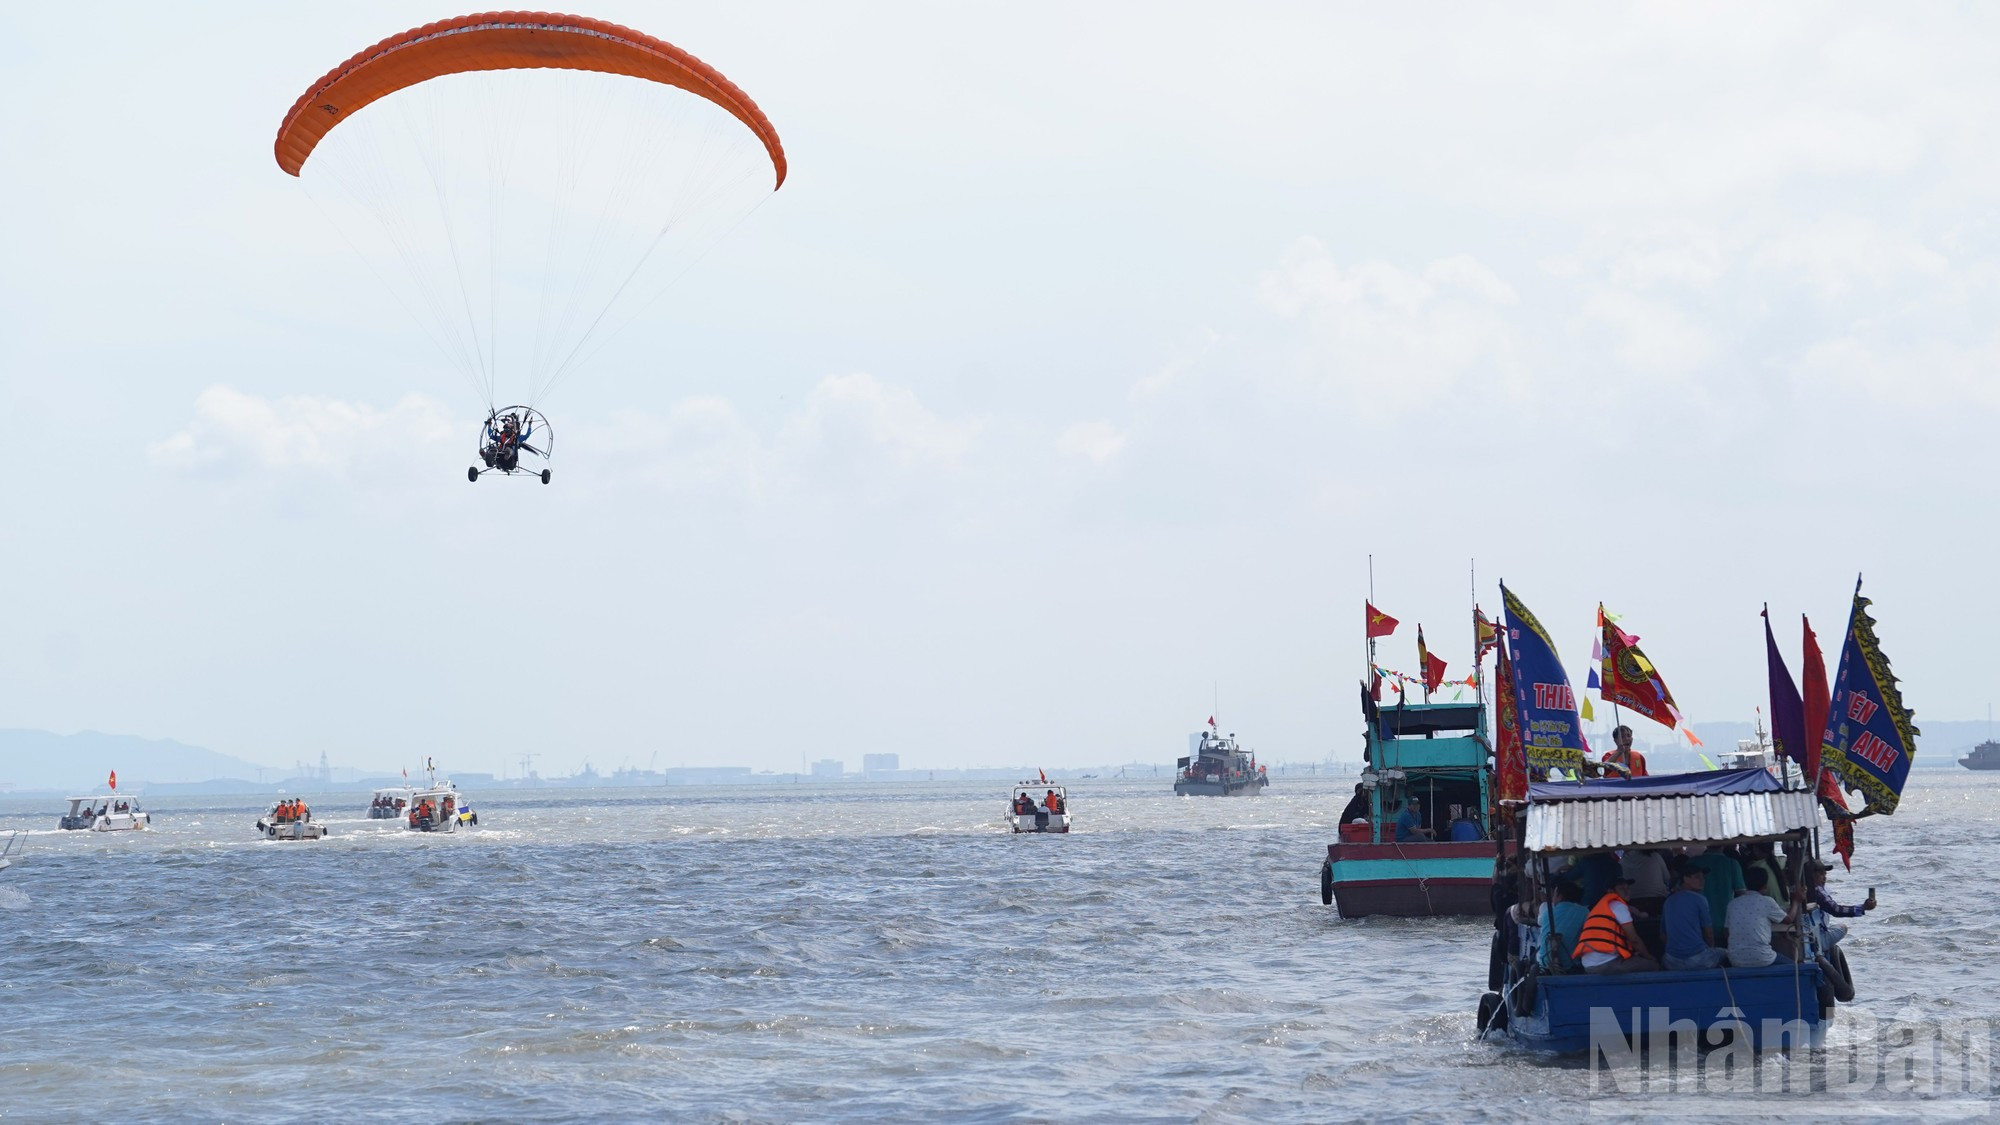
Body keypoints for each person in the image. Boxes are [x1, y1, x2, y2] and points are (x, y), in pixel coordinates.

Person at [1574, 875, 1661, 974]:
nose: (1626, 891)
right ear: (1611, 892)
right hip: (1605, 964)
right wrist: (1649, 956)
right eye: (1621, 888)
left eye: (1627, 888)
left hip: (1588, 965)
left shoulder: (1599, 908)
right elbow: (1634, 940)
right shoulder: (1619, 906)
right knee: (1654, 965)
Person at [1726, 865, 1802, 968]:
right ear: (1765, 886)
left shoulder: (1732, 904)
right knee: (1794, 967)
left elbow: (1727, 931)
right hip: (1763, 958)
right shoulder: (1767, 901)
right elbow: (1789, 919)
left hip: (1735, 960)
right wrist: (1796, 901)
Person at [1661, 863, 1725, 970]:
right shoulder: (1699, 899)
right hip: (1698, 959)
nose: (1702, 881)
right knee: (1725, 953)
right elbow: (1708, 933)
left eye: (1703, 878)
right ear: (1685, 879)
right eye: (1697, 877)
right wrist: (1710, 949)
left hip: (1671, 960)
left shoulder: (1668, 900)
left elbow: (1663, 935)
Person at [1685, 845, 1746, 946]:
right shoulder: (1732, 863)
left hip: (1697, 926)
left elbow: (1682, 891)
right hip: (1725, 925)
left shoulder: (1692, 862)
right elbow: (1742, 895)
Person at [1537, 880, 1588, 971]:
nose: (1553, 898)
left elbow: (1540, 923)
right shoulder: (1584, 912)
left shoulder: (1547, 911)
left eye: (1554, 894)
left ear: (1560, 896)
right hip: (1570, 963)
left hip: (1544, 963)